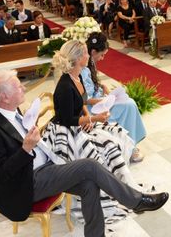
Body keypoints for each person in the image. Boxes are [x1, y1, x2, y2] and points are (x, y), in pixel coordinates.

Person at [0, 71, 168, 237]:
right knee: (89, 165)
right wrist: (26, 149)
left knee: (89, 184)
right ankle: (136, 201)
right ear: (4, 97)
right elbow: (1, 175)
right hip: (25, 184)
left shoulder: (10, 109)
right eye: (18, 87)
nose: (24, 89)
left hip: (44, 167)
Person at [42, 41, 145, 217]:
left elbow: (81, 102)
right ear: (77, 58)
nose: (88, 56)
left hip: (79, 124)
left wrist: (88, 118)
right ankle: (121, 194)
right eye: (85, 53)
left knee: (116, 134)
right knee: (106, 147)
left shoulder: (78, 76)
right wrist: (93, 118)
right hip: (65, 133)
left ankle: (128, 189)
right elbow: (67, 120)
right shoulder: (65, 86)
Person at [81, 33, 147, 158]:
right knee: (128, 106)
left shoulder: (91, 61)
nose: (103, 58)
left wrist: (102, 87)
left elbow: (91, 85)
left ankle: (128, 144)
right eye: (102, 55)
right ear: (93, 52)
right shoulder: (84, 68)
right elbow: (85, 98)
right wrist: (104, 100)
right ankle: (129, 148)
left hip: (99, 101)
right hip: (91, 109)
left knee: (129, 102)